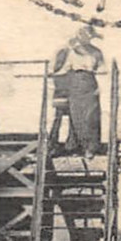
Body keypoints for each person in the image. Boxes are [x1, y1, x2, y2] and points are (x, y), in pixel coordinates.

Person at [51, 26, 104, 159]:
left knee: (91, 116)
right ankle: (78, 146)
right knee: (77, 116)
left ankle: (90, 148)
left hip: (90, 83)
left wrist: (99, 87)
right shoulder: (71, 51)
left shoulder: (96, 52)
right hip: (75, 83)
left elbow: (102, 69)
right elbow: (63, 69)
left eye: (88, 36)